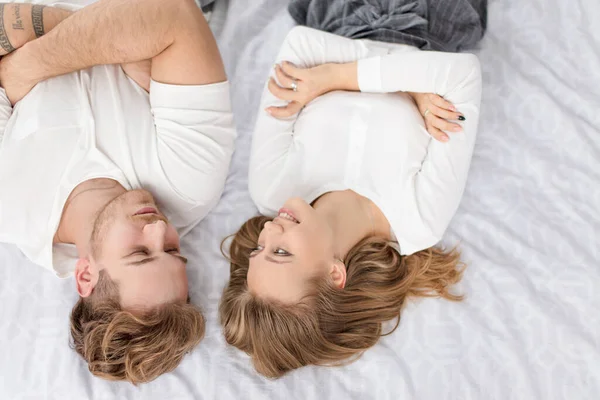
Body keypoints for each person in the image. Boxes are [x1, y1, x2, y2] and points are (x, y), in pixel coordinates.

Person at [219, 26, 482, 378]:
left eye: (259, 249)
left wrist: (415, 79)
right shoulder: (419, 219)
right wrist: (335, 77)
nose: (268, 229)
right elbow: (463, 74)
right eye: (281, 252)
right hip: (430, 27)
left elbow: (300, 44)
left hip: (338, 18)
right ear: (334, 273)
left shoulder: (270, 187)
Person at [0, 0, 235, 383]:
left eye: (140, 253)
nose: (159, 228)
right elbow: (176, 14)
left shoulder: (7, 202)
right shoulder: (190, 181)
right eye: (174, 251)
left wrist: (129, 44)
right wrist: (25, 63)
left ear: (86, 275)